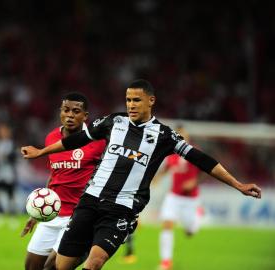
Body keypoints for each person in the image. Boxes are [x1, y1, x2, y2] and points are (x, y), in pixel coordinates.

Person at [21, 79, 262, 270]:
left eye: (137, 100)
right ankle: (84, 246)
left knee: (94, 264)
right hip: (90, 201)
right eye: (128, 100)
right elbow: (77, 140)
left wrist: (237, 184)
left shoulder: (165, 135)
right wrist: (41, 152)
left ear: (151, 101)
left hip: (121, 209)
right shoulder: (113, 122)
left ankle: (93, 247)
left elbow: (202, 159)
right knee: (61, 266)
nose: (131, 104)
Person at [21, 92, 106, 270]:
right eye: (66, 110)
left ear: (85, 116)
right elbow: (54, 175)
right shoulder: (52, 138)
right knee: (31, 267)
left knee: (52, 268)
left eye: (76, 111)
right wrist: (38, 212)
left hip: (77, 217)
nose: (70, 115)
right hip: (53, 213)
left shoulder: (98, 140)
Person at [155, 126, 202, 270]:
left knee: (189, 232)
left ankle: (198, 215)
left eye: (183, 134)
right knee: (167, 224)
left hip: (190, 199)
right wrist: (155, 179)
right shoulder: (172, 154)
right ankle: (166, 262)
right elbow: (165, 169)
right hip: (173, 196)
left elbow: (207, 170)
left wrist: (194, 182)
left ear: (187, 136)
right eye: (178, 134)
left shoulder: (195, 152)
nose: (181, 136)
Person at [0, 122, 18, 215]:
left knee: (10, 192)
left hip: (8, 172)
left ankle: (12, 212)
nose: (2, 133)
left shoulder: (11, 144)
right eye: (1, 131)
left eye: (4, 131)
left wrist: (7, 157)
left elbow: (15, 157)